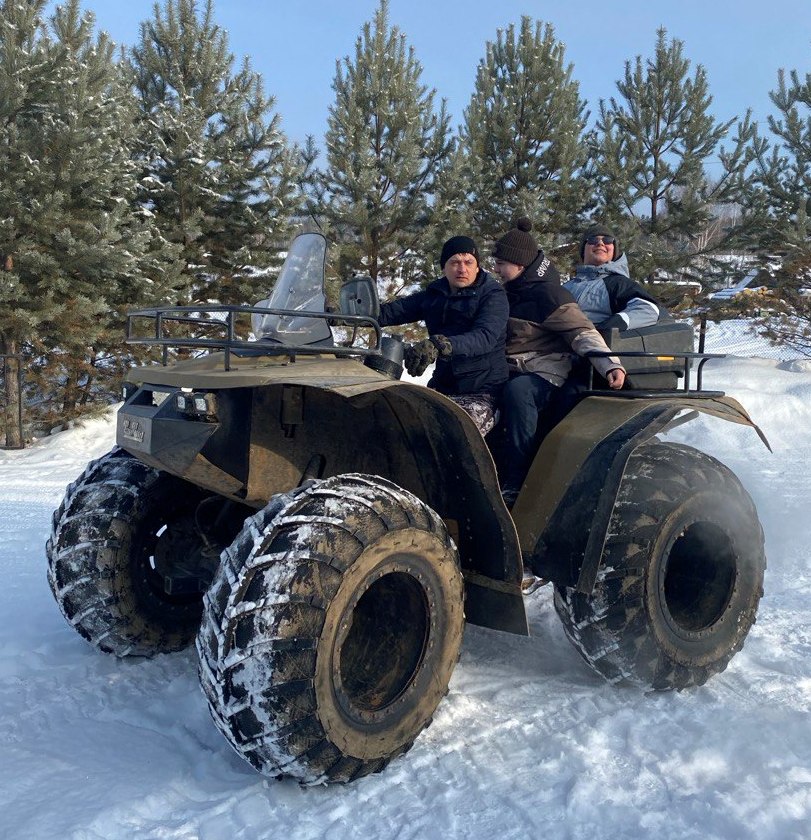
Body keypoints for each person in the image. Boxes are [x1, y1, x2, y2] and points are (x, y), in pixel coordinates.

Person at [491, 218, 626, 506]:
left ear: (519, 264)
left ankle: (516, 478)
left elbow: (582, 333)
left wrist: (610, 365)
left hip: (543, 371)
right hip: (508, 366)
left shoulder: (548, 295)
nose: (496, 269)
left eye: (501, 263)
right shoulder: (505, 293)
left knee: (519, 393)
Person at [378, 235, 509, 436]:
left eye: (468, 262)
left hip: (482, 391)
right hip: (443, 387)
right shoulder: (436, 294)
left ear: (477, 266)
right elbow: (394, 311)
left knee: (450, 435)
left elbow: (484, 337)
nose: (462, 269)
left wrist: (440, 345)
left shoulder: (492, 295)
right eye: (455, 262)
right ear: (444, 266)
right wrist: (351, 314)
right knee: (396, 424)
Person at [563, 224, 663, 331]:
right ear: (583, 249)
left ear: (614, 249)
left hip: (593, 343)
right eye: (592, 240)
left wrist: (607, 329)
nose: (600, 243)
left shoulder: (618, 283)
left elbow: (648, 310)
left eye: (607, 240)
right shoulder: (566, 286)